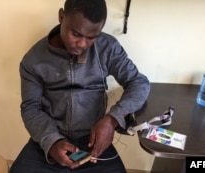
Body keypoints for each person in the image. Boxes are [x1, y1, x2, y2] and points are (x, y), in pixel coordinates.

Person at [10, 0, 150, 172]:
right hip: (49, 138)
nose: (83, 44)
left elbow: (139, 83)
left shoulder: (107, 47)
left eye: (92, 37)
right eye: (76, 34)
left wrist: (112, 119)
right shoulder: (34, 60)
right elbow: (30, 108)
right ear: (61, 16)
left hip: (91, 141)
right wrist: (52, 141)